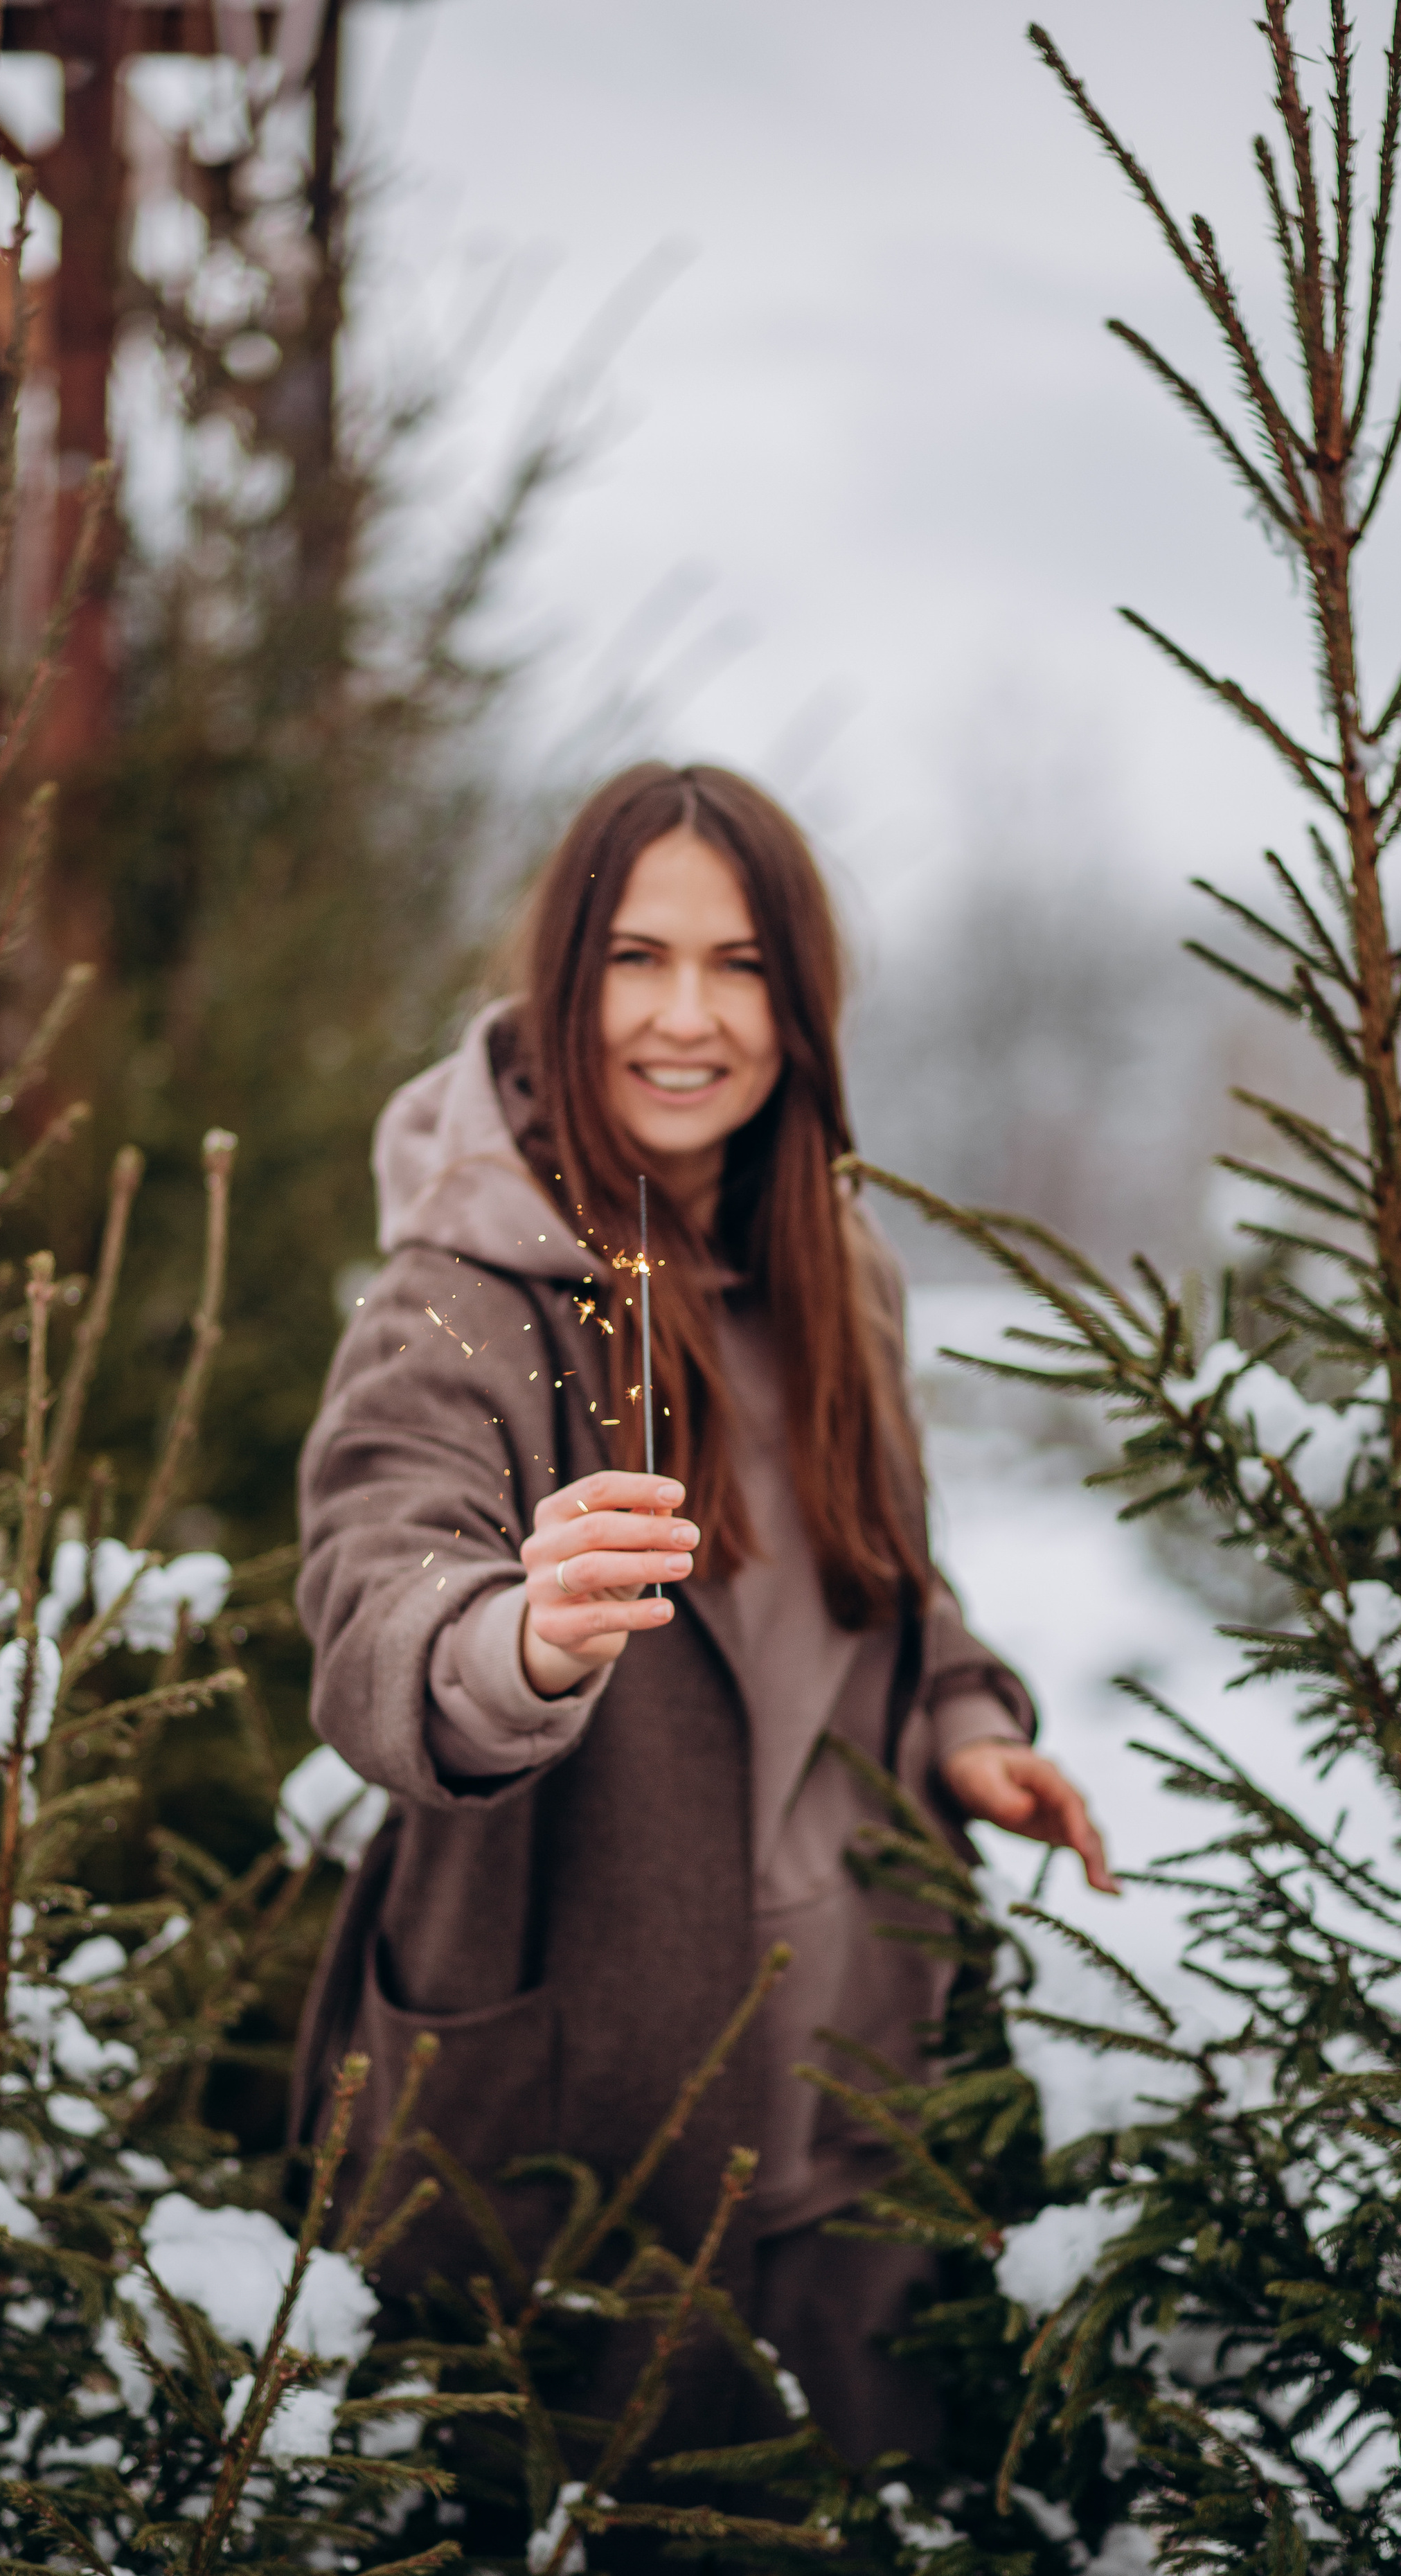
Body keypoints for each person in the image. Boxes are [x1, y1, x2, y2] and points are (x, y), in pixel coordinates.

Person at [292, 761, 1113, 2487]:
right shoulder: (473, 1299)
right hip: (586, 2100)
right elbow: (379, 1579)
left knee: (866, 2558)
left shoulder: (838, 1264)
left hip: (857, 2080)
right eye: (636, 959)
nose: (686, 1016)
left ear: (799, 1005)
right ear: (561, 976)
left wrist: (967, 1724)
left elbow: (887, 1570)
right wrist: (516, 1637)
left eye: (738, 965)